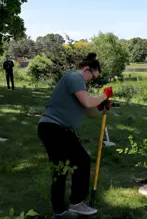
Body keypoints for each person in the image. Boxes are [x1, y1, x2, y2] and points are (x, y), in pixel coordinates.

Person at [37, 53, 113, 218]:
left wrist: (101, 107)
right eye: (93, 77)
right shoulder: (73, 76)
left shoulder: (76, 83)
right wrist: (104, 95)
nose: (91, 80)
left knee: (61, 169)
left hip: (52, 128)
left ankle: (59, 211)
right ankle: (76, 203)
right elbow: (87, 101)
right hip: (55, 128)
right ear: (87, 69)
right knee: (82, 161)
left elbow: (88, 109)